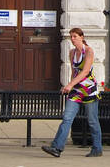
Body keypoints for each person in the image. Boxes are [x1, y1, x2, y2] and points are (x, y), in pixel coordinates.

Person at [42, 28, 103, 158]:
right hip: (76, 91)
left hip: (89, 91)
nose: (73, 39)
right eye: (71, 37)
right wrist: (69, 85)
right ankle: (57, 147)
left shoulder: (88, 51)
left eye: (75, 36)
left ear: (82, 37)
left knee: (92, 121)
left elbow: (85, 71)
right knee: (67, 118)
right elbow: (74, 72)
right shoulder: (72, 53)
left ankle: (97, 148)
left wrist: (70, 84)